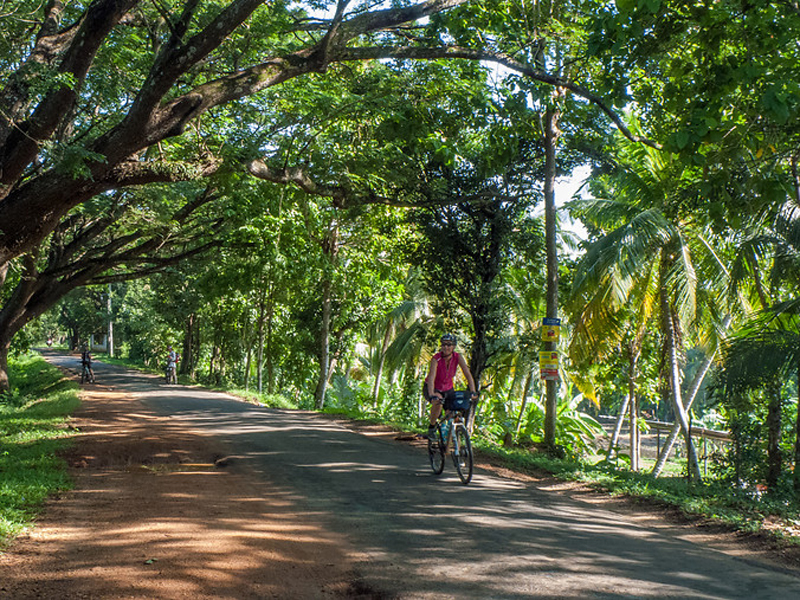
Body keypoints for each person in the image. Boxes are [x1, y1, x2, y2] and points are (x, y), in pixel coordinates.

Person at [424, 333, 478, 439]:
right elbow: (431, 377)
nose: (446, 347)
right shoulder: (436, 359)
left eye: (449, 345)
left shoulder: (458, 357)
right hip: (433, 387)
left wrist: (473, 391)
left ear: (453, 346)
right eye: (443, 345)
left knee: (453, 411)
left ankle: (448, 439)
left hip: (448, 388)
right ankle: (432, 427)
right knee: (438, 402)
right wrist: (431, 394)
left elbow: (467, 374)